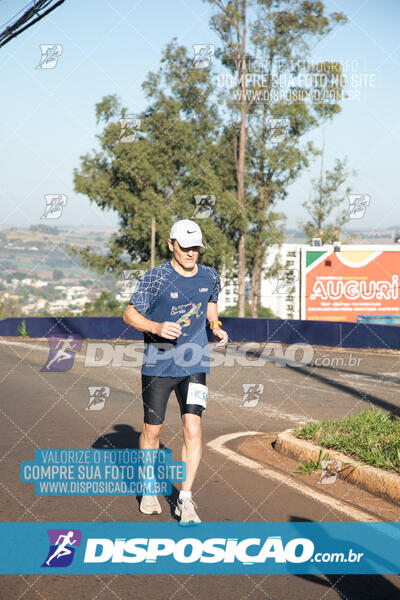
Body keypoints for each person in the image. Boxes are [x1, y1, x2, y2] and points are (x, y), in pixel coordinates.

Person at [123, 219, 228, 523]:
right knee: (152, 430)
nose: (191, 253)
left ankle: (185, 499)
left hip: (194, 364)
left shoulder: (210, 276)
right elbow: (130, 314)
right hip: (158, 364)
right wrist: (155, 326)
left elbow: (210, 302)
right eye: (185, 247)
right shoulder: (155, 278)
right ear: (171, 244)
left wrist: (216, 326)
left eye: (196, 247)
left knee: (193, 429)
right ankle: (148, 488)